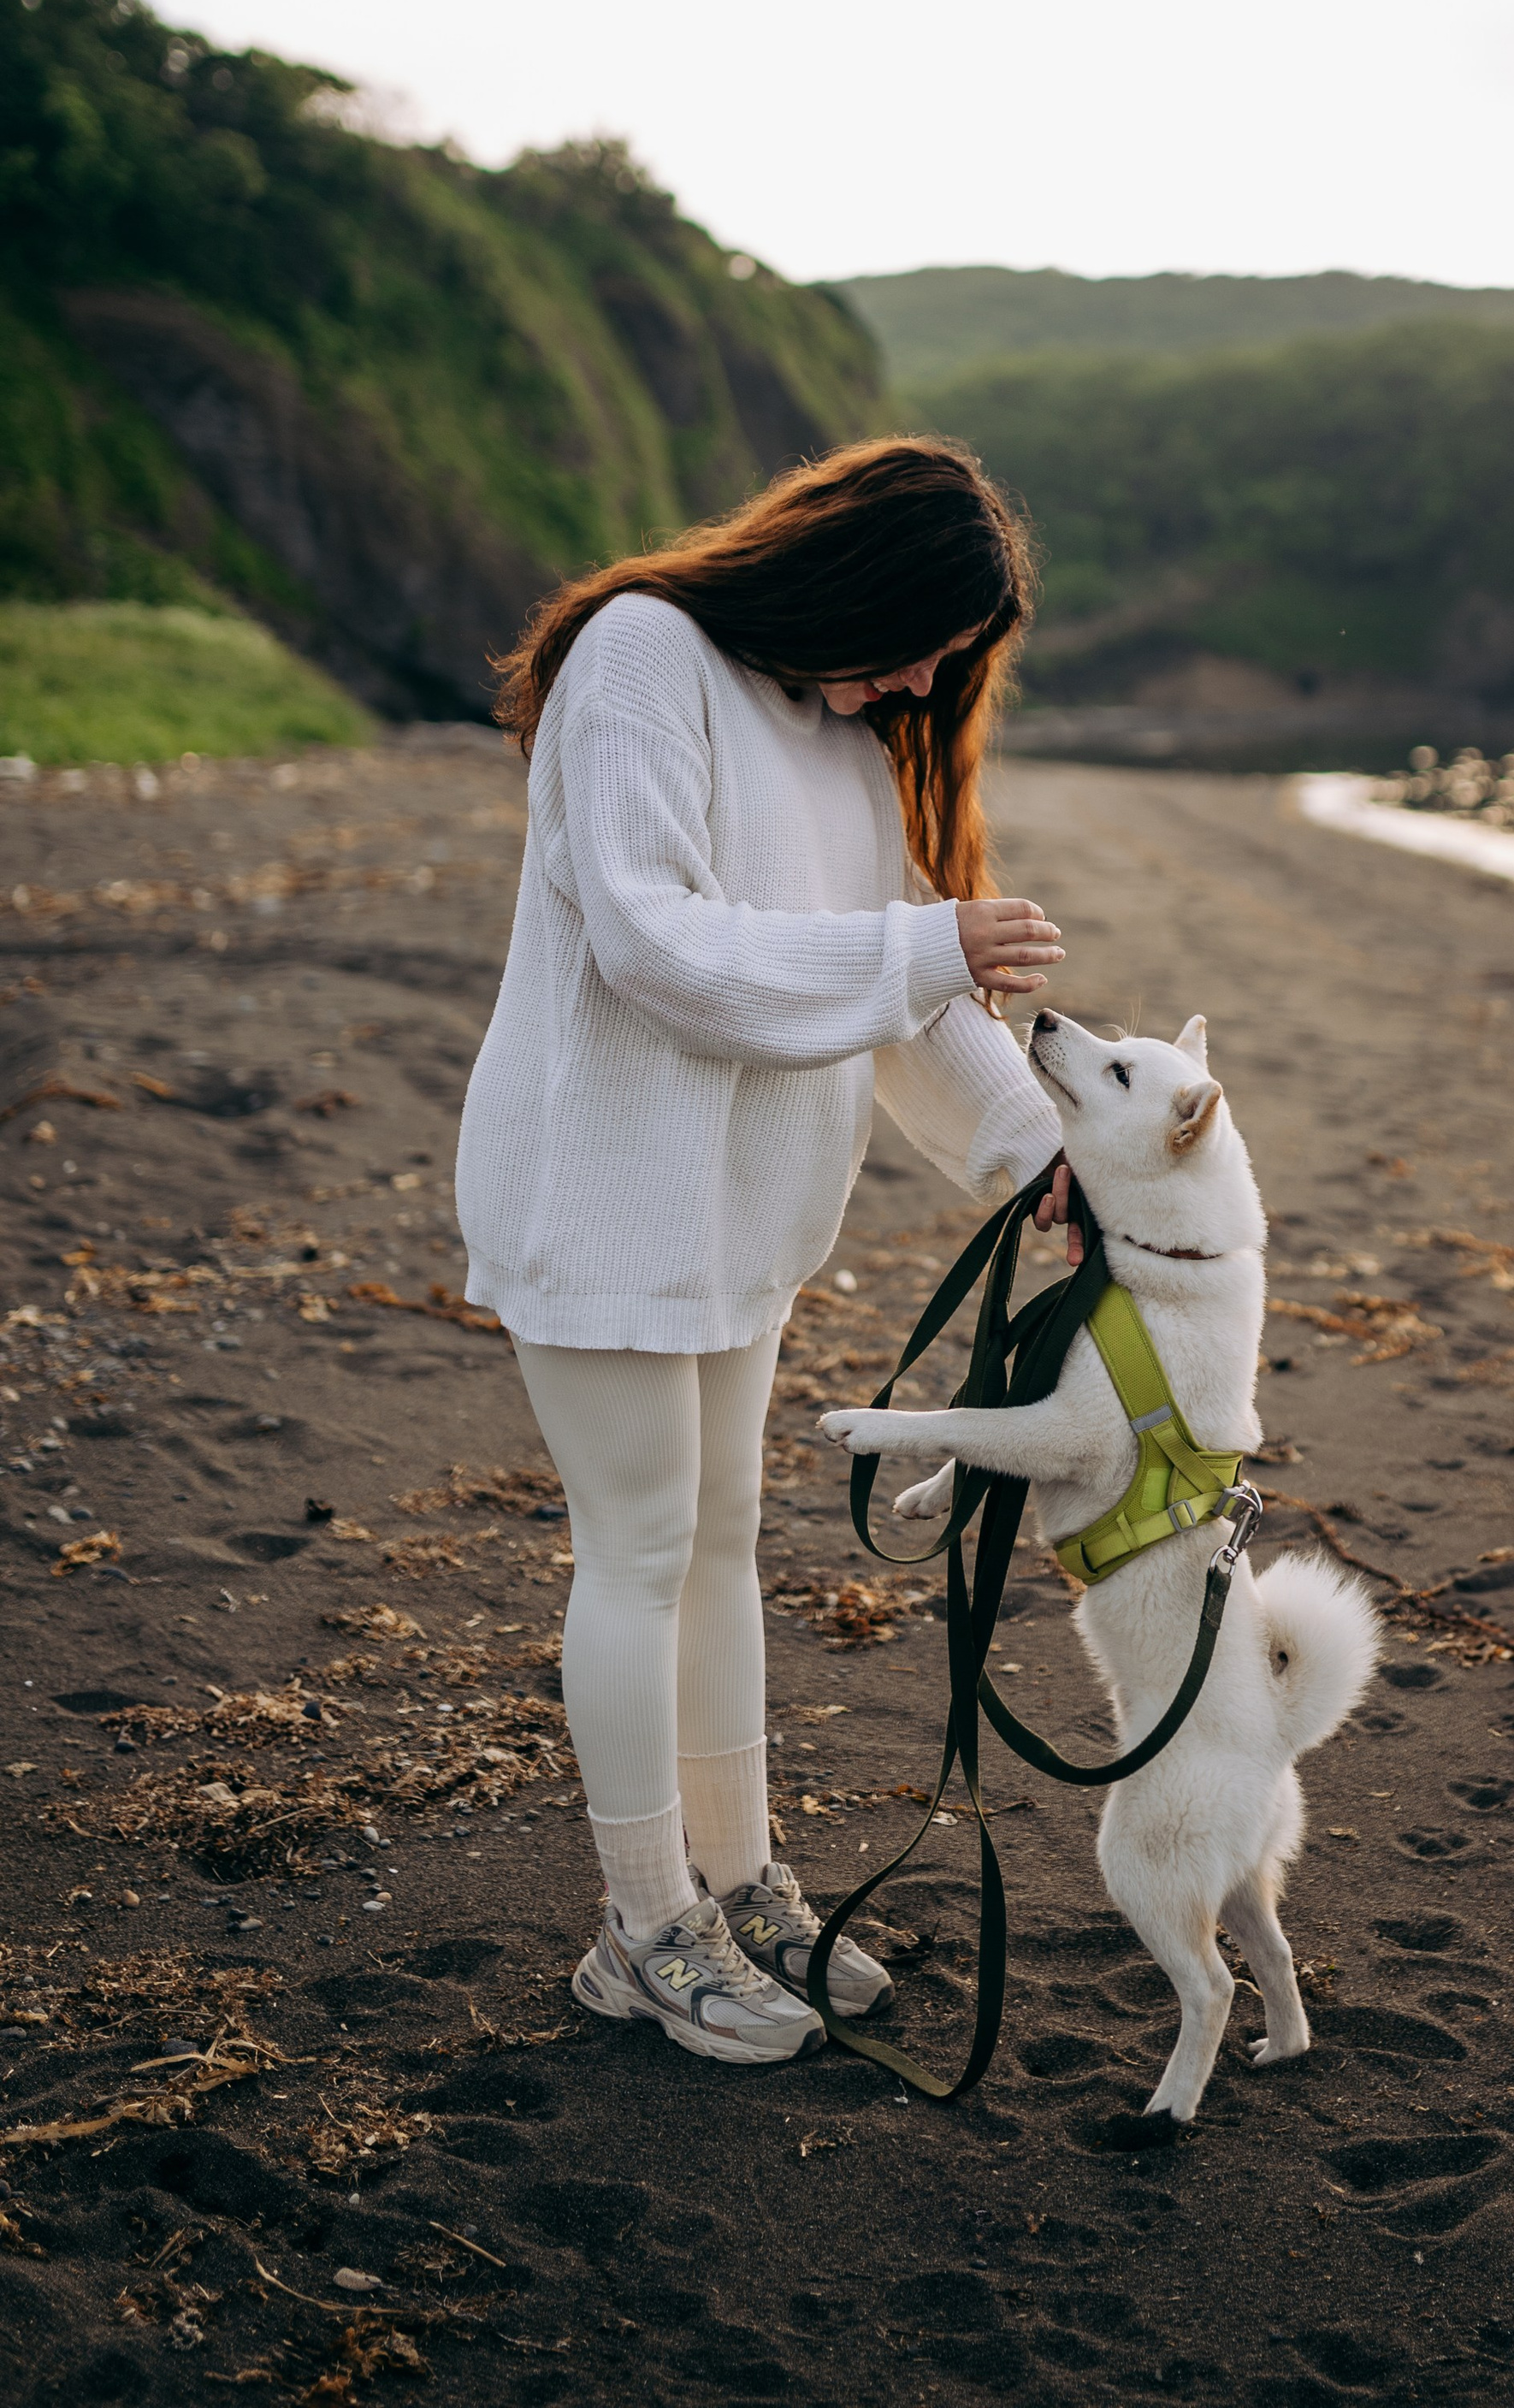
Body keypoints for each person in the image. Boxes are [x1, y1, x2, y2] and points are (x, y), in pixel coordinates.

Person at [456, 437, 1069, 2066]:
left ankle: (737, 1883)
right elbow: (655, 940)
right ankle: (642, 1926)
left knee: (721, 1541)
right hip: (602, 1190)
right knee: (640, 1547)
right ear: (848, 579)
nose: (927, 682)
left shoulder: (842, 739)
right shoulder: (644, 655)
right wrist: (926, 943)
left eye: (952, 660)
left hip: (739, 1213)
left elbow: (905, 1006)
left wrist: (1046, 1159)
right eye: (924, 642)